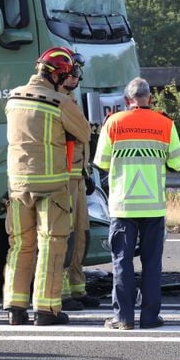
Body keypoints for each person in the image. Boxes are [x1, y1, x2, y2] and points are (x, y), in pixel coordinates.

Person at [2, 47, 90, 325]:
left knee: (20, 247)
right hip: (51, 187)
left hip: (18, 187)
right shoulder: (58, 102)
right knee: (51, 246)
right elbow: (84, 132)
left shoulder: (13, 98)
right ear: (60, 76)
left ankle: (15, 307)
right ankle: (46, 309)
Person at [93, 77, 180, 330]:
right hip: (153, 206)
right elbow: (176, 162)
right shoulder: (165, 123)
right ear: (150, 99)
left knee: (122, 260)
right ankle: (150, 317)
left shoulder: (113, 122)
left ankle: (123, 318)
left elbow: (101, 162)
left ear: (126, 100)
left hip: (123, 206)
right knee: (152, 263)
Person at [57, 50, 101, 311]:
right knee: (67, 236)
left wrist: (86, 173)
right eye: (73, 72)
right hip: (63, 179)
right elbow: (82, 134)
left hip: (78, 177)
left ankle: (77, 287)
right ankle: (61, 292)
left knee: (81, 235)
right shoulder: (58, 102)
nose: (77, 77)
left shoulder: (70, 99)